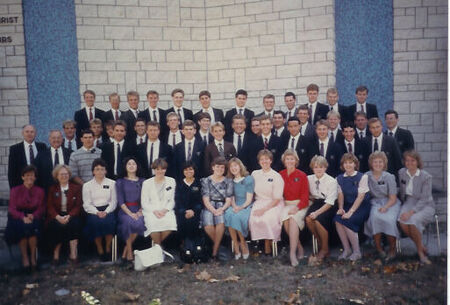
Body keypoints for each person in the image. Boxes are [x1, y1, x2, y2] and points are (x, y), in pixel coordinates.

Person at [398, 150, 435, 265]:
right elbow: (401, 190)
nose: (409, 163)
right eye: (407, 160)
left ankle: (420, 253)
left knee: (413, 220)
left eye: (412, 160)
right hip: (409, 202)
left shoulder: (426, 176)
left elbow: (425, 198)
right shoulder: (401, 173)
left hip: (425, 204)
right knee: (402, 221)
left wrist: (411, 212)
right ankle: (421, 246)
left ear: (418, 162)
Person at [5, 165, 45, 271]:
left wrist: (34, 215)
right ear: (22, 177)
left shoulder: (40, 191)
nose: (30, 178)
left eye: (32, 175)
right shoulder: (15, 190)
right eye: (27, 175)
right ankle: (25, 257)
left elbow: (41, 208)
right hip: (18, 217)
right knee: (22, 228)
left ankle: (33, 257)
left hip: (33, 216)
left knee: (33, 228)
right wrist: (23, 217)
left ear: (35, 178)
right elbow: (12, 209)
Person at [333, 153, 371, 261]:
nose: (348, 165)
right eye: (345, 163)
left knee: (348, 220)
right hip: (348, 205)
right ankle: (347, 249)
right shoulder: (339, 178)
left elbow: (360, 197)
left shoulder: (362, 176)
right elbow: (340, 195)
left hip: (362, 206)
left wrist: (350, 212)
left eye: (350, 162)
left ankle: (357, 251)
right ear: (342, 165)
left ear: (355, 164)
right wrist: (340, 208)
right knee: (338, 220)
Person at [364, 152, 401, 260]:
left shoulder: (389, 176)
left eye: (380, 162)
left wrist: (385, 207)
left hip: (390, 203)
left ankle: (392, 249)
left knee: (389, 220)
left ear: (384, 163)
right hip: (375, 203)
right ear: (371, 163)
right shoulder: (367, 176)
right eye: (375, 162)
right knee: (374, 218)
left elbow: (393, 198)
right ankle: (379, 249)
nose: (378, 164)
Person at [249, 150, 284, 255]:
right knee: (253, 219)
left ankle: (268, 248)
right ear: (259, 161)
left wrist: (264, 210)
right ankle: (258, 245)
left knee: (267, 219)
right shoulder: (254, 174)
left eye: (266, 159)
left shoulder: (276, 176)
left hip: (274, 203)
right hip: (259, 201)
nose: (264, 161)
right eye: (262, 159)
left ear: (271, 160)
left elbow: (277, 198)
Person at [46, 165, 82, 265]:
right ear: (56, 176)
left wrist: (69, 216)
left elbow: (78, 206)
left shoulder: (76, 188)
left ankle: (73, 255)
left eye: (66, 174)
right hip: (56, 215)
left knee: (74, 224)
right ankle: (56, 255)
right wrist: (57, 217)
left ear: (69, 175)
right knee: (56, 226)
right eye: (61, 174)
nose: (64, 176)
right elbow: (49, 206)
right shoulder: (53, 189)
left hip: (71, 214)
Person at [82, 159, 117, 261]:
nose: (100, 171)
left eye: (102, 169)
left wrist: (106, 211)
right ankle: (100, 248)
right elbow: (87, 203)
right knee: (95, 223)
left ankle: (107, 247)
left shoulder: (112, 183)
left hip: (108, 209)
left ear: (106, 171)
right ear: (93, 171)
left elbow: (114, 201)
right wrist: (97, 212)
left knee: (109, 222)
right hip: (93, 211)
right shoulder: (87, 185)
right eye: (97, 169)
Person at [279, 149, 309, 266]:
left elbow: (305, 197)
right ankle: (299, 247)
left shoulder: (302, 175)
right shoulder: (280, 174)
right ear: (284, 161)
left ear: (296, 160)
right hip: (286, 204)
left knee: (292, 218)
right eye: (287, 159)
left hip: (300, 205)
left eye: (292, 159)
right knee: (285, 219)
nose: (290, 161)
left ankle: (292, 254)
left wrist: (297, 208)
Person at [305, 156, 337, 262]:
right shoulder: (309, 178)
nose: (318, 169)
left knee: (318, 220)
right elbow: (306, 193)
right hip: (316, 202)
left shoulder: (331, 181)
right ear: (312, 168)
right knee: (308, 219)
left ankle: (324, 249)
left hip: (328, 205)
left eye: (321, 167)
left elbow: (330, 202)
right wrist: (310, 198)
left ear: (325, 168)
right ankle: (322, 243)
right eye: (316, 167)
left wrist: (317, 213)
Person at [201, 157, 233, 259]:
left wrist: (222, 209)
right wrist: (212, 210)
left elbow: (229, 200)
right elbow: (205, 199)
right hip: (209, 205)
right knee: (208, 224)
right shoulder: (206, 180)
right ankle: (219, 247)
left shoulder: (228, 181)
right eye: (217, 167)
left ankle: (214, 252)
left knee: (221, 223)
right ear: (213, 167)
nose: (220, 169)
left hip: (222, 205)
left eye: (222, 167)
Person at [115, 158, 146, 263]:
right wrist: (130, 214)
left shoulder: (143, 181)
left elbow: (145, 199)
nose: (131, 165)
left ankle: (125, 251)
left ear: (137, 166)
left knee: (139, 223)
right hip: (125, 210)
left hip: (139, 209)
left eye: (134, 163)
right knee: (128, 222)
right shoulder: (120, 182)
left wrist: (139, 211)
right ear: (125, 166)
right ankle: (129, 252)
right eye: (129, 164)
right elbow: (120, 201)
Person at [141, 158, 177, 245]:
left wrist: (165, 210)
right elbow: (144, 202)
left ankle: (157, 247)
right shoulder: (147, 183)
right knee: (152, 224)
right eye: (157, 169)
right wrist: (155, 211)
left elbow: (172, 200)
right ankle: (159, 249)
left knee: (170, 223)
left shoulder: (171, 181)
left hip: (166, 210)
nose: (160, 171)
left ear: (166, 169)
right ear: (153, 170)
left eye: (162, 169)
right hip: (151, 211)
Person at [224, 158, 254, 260]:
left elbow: (249, 199)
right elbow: (231, 196)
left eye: (235, 165)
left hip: (245, 205)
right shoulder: (229, 180)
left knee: (237, 217)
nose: (233, 168)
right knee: (228, 214)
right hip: (234, 204)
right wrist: (234, 206)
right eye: (231, 166)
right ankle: (235, 244)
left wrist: (240, 207)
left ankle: (242, 242)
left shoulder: (248, 179)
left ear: (240, 166)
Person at [175, 161, 202, 241]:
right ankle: (184, 245)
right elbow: (177, 200)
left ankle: (194, 245)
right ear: (183, 171)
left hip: (195, 212)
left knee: (194, 223)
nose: (188, 172)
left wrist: (193, 211)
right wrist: (184, 211)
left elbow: (200, 201)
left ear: (194, 170)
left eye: (190, 169)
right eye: (186, 170)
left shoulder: (198, 183)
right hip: (182, 212)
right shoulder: (179, 183)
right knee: (182, 223)